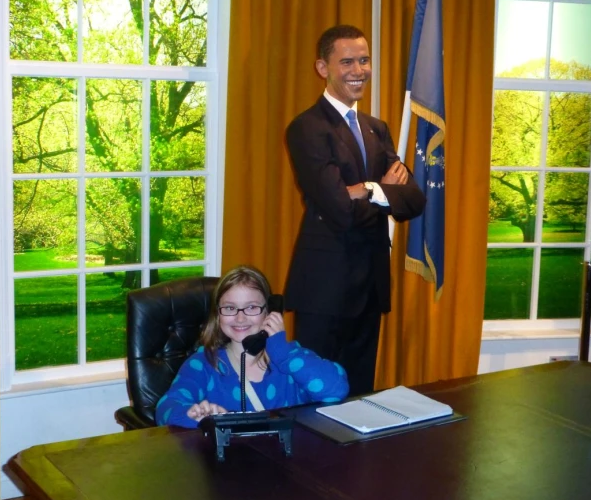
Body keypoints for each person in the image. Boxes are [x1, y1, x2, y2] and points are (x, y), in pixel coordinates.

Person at [284, 25, 426, 396]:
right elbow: (339, 211)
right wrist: (385, 193)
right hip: (325, 290)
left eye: (364, 60)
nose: (358, 70)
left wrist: (367, 189)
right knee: (314, 399)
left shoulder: (377, 129)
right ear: (322, 67)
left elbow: (414, 200)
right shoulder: (307, 128)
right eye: (347, 61)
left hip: (371, 286)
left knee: (361, 396)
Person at [155, 265, 349, 428]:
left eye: (251, 307)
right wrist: (196, 417)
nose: (240, 317)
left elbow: (336, 389)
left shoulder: (291, 359)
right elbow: (165, 409)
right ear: (218, 314)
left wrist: (284, 354)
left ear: (269, 311)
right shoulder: (204, 364)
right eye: (230, 308)